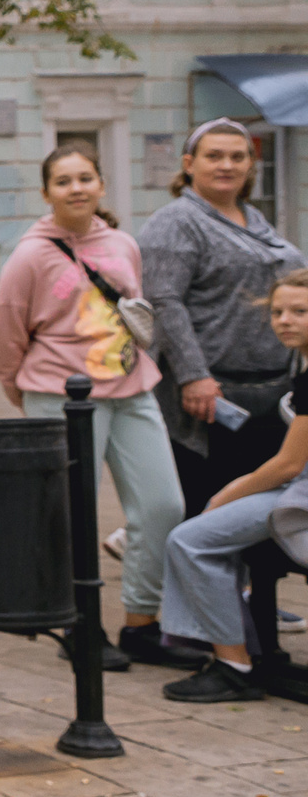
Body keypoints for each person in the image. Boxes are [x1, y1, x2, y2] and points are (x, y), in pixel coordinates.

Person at [0, 145, 188, 668]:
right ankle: (80, 624)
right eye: (63, 181)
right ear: (46, 192)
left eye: (85, 178)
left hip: (133, 390)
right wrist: (25, 391)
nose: (76, 189)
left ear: (100, 185)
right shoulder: (31, 255)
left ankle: (143, 623)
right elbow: (5, 333)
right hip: (62, 397)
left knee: (164, 506)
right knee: (71, 514)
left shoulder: (123, 244)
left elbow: (134, 313)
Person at [154, 268, 308, 703]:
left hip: (299, 495)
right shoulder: (301, 364)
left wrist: (225, 495)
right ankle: (229, 646)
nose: (285, 320)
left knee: (190, 540)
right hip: (295, 487)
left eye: (300, 311)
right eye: (278, 311)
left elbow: (288, 464)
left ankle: (233, 665)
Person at [142, 118, 305, 516]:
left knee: (260, 507)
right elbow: (165, 301)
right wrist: (194, 375)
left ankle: (251, 581)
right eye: (213, 156)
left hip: (270, 391)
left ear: (251, 165)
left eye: (237, 157)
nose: (226, 165)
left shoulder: (256, 220)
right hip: (212, 396)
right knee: (211, 504)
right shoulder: (176, 221)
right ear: (188, 164)